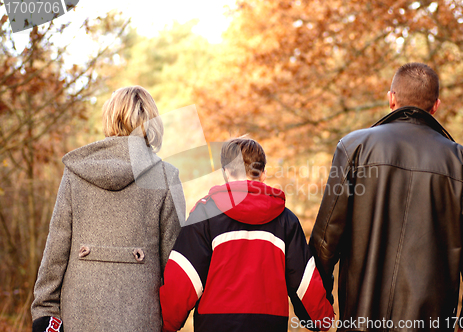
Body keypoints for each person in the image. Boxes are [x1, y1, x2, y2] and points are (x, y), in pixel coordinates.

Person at [309, 63, 463, 332]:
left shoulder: (353, 149)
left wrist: (318, 308)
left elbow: (326, 241)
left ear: (392, 98)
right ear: (436, 106)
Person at [31, 86, 185, 332]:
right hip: (142, 319)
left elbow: (56, 250)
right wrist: (170, 323)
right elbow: (174, 266)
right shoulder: (167, 177)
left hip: (78, 317)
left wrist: (44, 312)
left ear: (110, 117)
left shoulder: (76, 172)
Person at [159, 137, 334, 332]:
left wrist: (164, 325)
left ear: (225, 172)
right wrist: (322, 318)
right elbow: (305, 283)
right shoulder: (286, 220)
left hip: (216, 324)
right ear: (264, 174)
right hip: (270, 324)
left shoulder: (205, 214)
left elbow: (184, 280)